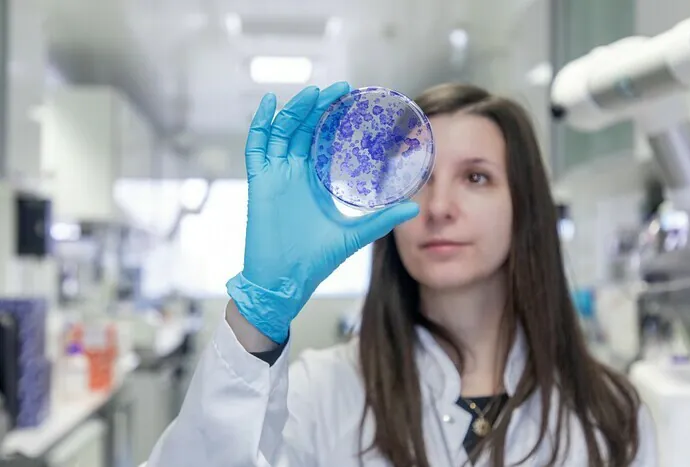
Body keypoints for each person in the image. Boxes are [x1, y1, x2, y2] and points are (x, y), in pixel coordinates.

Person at [143, 82, 657, 467]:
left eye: (476, 177)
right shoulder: (324, 390)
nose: (438, 207)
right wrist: (256, 316)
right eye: (417, 177)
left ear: (525, 206)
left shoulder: (607, 412)